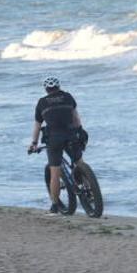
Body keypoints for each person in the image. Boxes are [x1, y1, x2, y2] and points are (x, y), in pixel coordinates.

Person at [27, 76, 85, 214]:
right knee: (79, 162)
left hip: (54, 138)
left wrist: (34, 143)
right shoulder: (68, 97)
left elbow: (37, 125)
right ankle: (87, 188)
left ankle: (54, 205)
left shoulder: (41, 102)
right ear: (59, 87)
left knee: (55, 172)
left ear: (46, 89)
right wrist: (80, 131)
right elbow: (76, 118)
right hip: (71, 134)